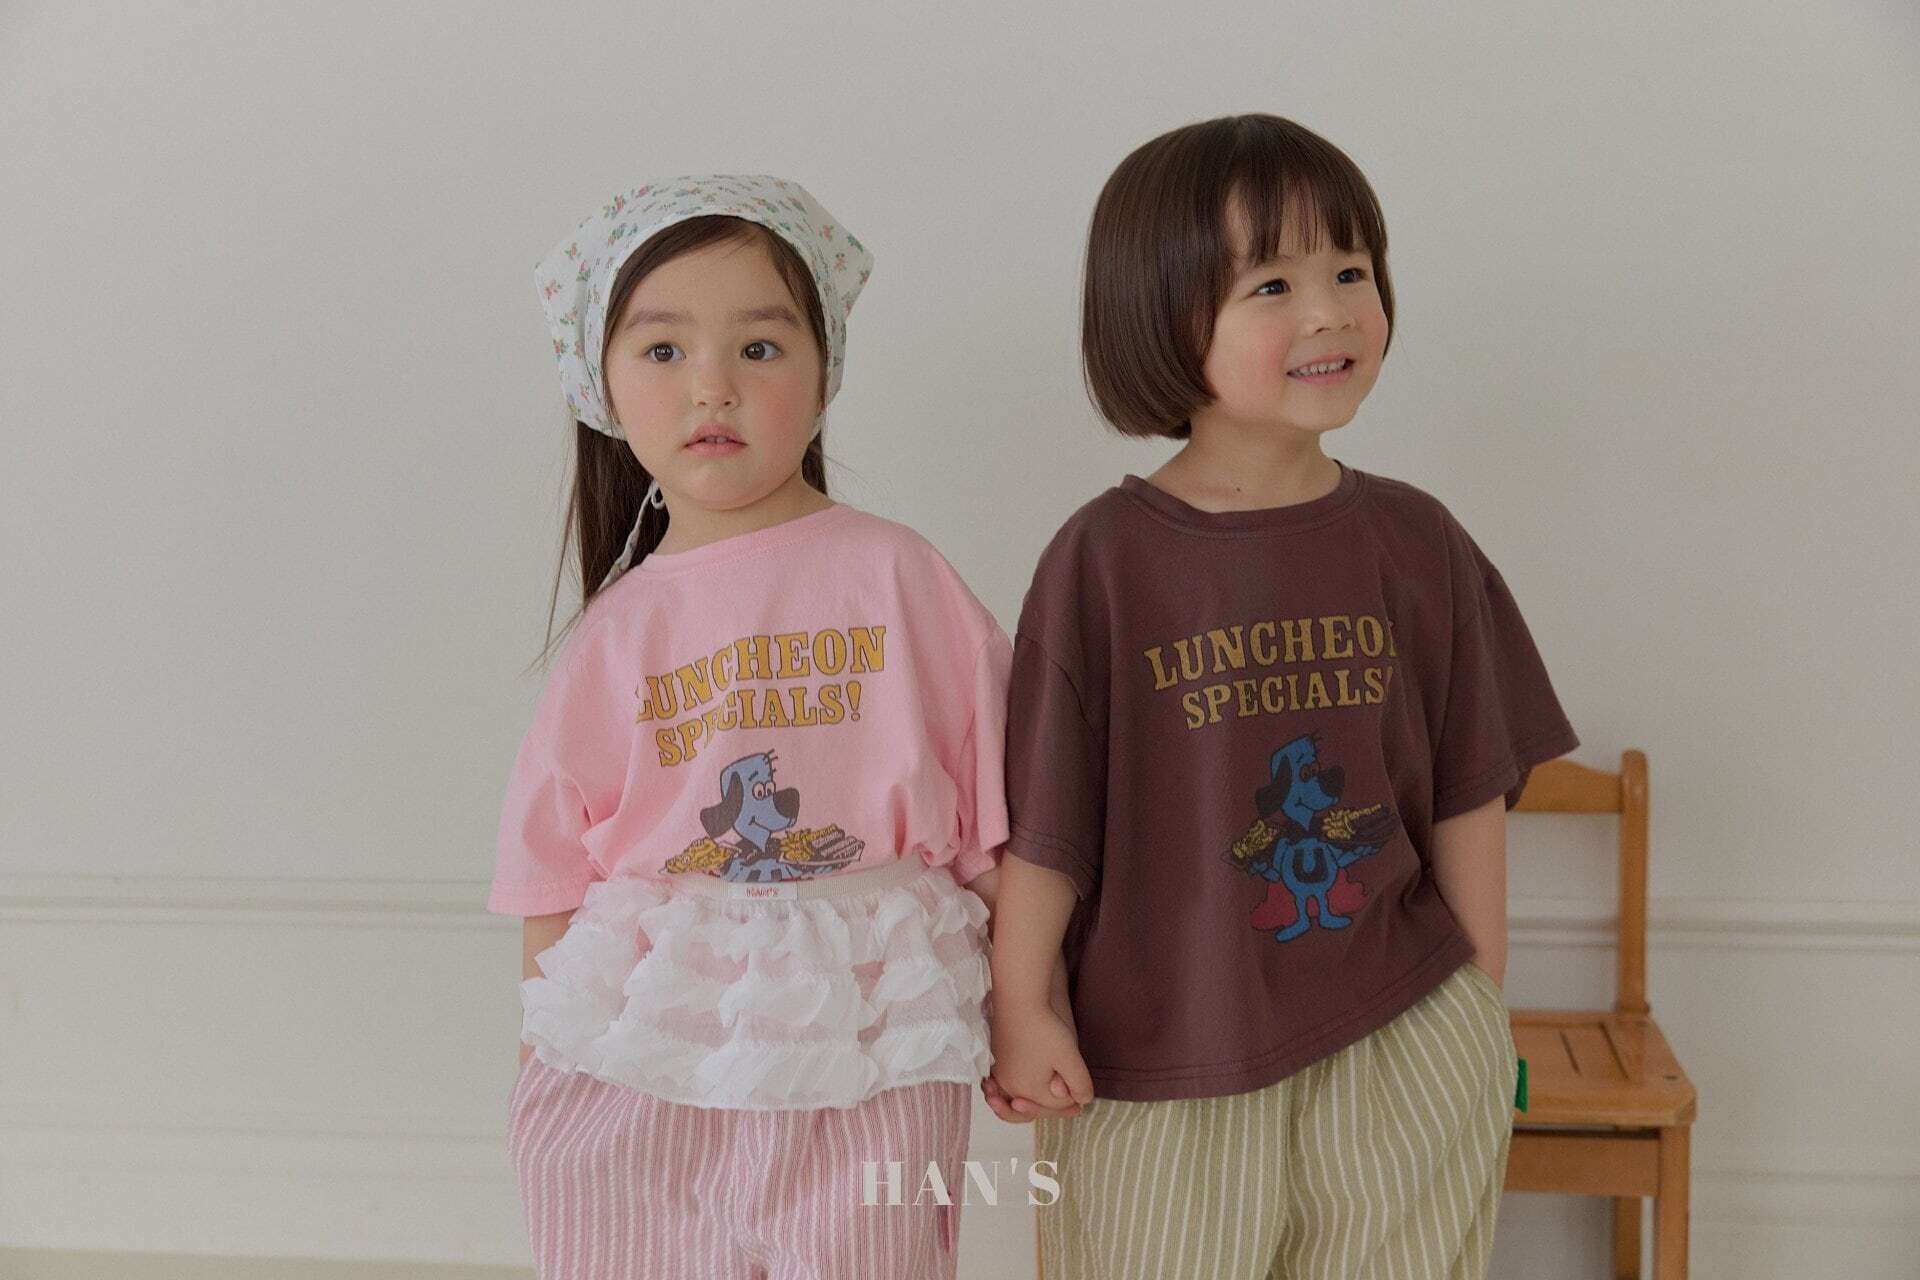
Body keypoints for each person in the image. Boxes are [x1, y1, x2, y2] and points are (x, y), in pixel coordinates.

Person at [985, 115, 1581, 1279]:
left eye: (1350, 270)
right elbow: (1049, 823)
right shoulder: (1106, 559)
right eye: (1272, 284)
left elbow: (1467, 788)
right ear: (1163, 316)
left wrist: (1476, 1002)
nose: (1328, 312)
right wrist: (1022, 1003)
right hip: (1163, 1063)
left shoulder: (1419, 540)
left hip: (1400, 1034)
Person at [491, 175, 1008, 1280]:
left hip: (871, 1018)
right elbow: (552, 877)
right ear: (600, 385)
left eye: (760, 348)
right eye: (663, 350)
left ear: (825, 371)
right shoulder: (617, 629)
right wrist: (548, 1045)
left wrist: (1034, 1002)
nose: (712, 385)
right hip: (651, 1036)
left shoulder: (899, 575)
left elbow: (997, 816)